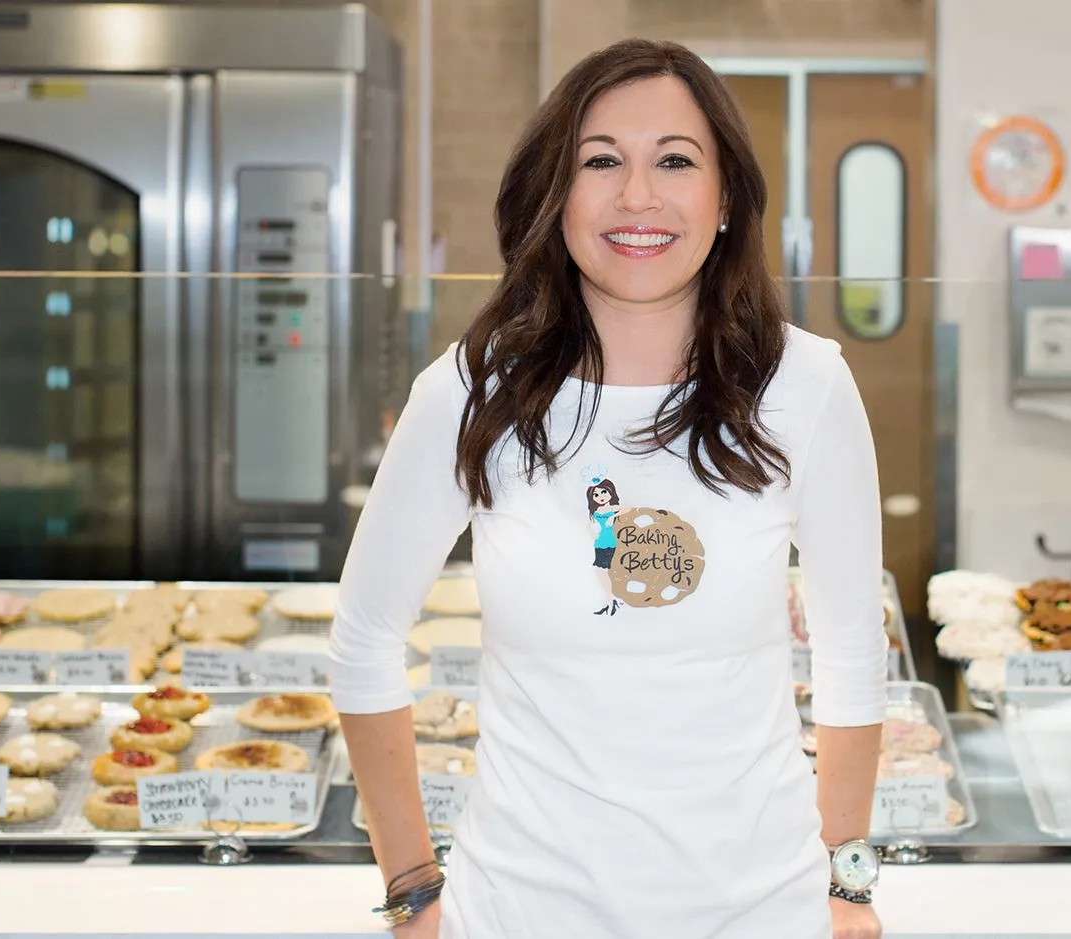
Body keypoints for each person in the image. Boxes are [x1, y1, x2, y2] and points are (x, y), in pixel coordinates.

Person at [328, 37, 889, 939]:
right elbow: (362, 640)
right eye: (601, 162)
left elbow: (854, 652)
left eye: (675, 160)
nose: (638, 196)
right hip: (519, 910)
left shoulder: (806, 385)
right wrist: (410, 886)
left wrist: (849, 881)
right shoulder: (474, 390)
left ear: (725, 198)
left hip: (760, 912)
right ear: (557, 196)